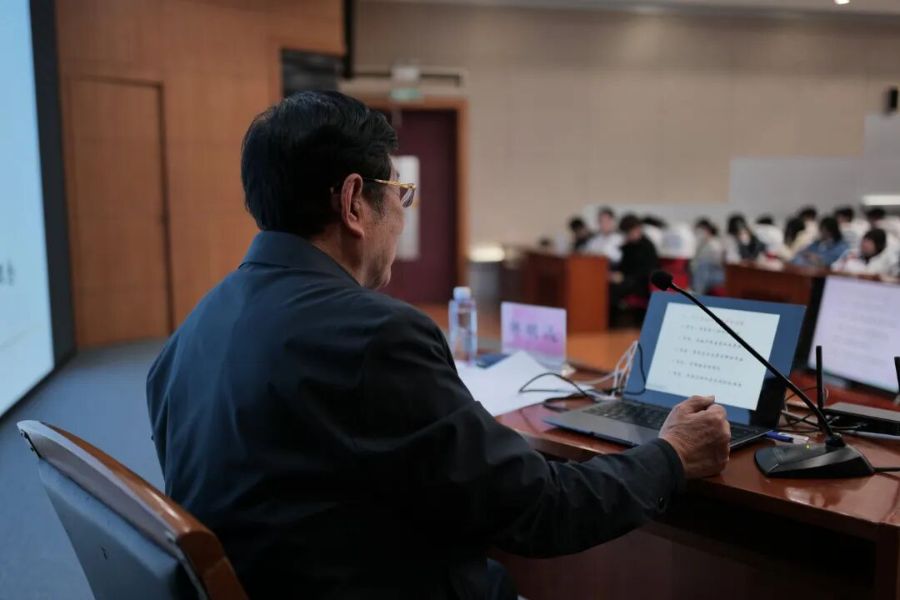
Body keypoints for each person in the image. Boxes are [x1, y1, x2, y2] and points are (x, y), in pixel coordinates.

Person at [145, 92, 730, 600]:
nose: (402, 216)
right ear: (353, 202)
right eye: (400, 194)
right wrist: (671, 453)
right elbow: (538, 512)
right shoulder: (375, 335)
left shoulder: (195, 327)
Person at [609, 213, 660, 309]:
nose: (627, 236)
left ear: (637, 229)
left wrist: (623, 277)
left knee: (613, 290)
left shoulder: (647, 246)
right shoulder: (628, 246)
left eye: (628, 233)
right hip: (629, 280)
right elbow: (624, 266)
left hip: (641, 283)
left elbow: (647, 270)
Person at [690, 218, 725, 294]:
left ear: (707, 231)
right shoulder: (703, 243)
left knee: (703, 266)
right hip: (702, 275)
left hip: (713, 274)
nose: (698, 234)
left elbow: (718, 263)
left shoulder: (714, 244)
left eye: (700, 231)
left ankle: (697, 293)